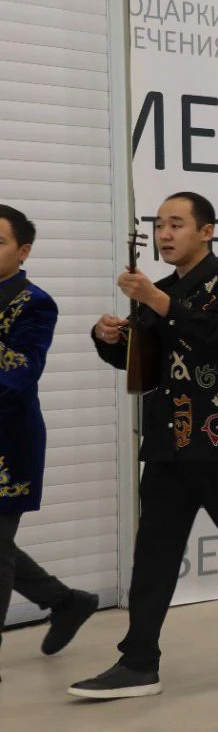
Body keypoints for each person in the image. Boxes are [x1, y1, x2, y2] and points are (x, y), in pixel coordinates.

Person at [74, 192, 218, 699]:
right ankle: (138, 660)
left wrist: (158, 303)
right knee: (154, 550)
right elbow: (144, 363)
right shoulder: (163, 290)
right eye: (160, 226)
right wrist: (109, 339)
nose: (165, 234)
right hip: (168, 442)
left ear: (207, 231)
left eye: (177, 224)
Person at [0, 206, 97, 671]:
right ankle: (66, 601)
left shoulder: (35, 303)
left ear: (23, 252)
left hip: (8, 443)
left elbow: (19, 374)